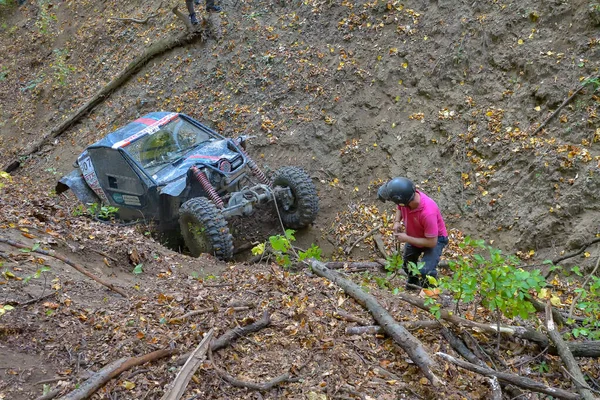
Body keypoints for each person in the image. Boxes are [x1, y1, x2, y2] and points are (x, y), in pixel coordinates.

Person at [378, 177, 448, 290]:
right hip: (415, 234)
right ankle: (413, 284)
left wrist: (406, 238)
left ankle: (430, 291)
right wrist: (397, 222)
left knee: (426, 271)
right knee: (407, 265)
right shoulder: (407, 198)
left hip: (436, 239)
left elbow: (432, 242)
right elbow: (399, 207)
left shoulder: (428, 212)